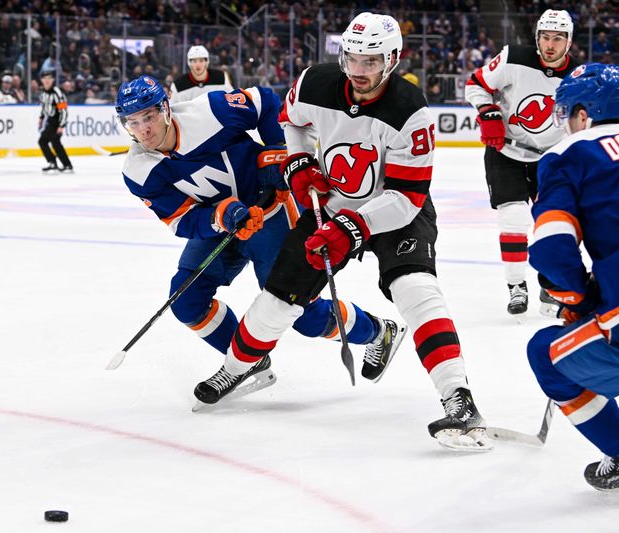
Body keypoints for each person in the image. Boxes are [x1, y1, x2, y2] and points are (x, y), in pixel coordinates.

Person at [194, 12, 491, 452]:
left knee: (415, 289)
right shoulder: (315, 81)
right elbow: (289, 121)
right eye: (352, 58)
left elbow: (408, 196)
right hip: (329, 204)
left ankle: (458, 399)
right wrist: (297, 162)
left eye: (370, 61)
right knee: (278, 298)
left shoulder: (411, 111)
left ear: (392, 59)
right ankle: (238, 366)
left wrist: (354, 226)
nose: (359, 70)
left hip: (394, 210)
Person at [115, 75, 404, 399]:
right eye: (133, 122)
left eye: (149, 117)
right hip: (224, 227)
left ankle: (378, 332)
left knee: (302, 315)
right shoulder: (137, 170)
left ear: (166, 109)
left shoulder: (208, 111)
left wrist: (277, 151)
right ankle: (245, 361)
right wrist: (218, 217)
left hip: (273, 215)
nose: (144, 130)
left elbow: (265, 101)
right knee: (186, 301)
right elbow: (181, 220)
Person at [526, 63, 619, 492]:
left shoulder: (572, 152)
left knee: (546, 354)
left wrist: (575, 297)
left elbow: (552, 244)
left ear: (585, 113)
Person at [464, 9, 580, 316]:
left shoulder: (579, 75)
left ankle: (551, 285)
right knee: (513, 218)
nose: (550, 45)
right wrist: (488, 112)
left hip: (552, 159)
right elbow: (475, 84)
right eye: (545, 37)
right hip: (507, 153)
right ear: (537, 37)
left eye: (557, 38)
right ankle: (516, 286)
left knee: (555, 223)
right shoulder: (512, 58)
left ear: (568, 42)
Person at [169, 45, 234, 104]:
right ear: (189, 63)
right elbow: (172, 109)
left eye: (201, 60)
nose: (198, 64)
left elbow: (232, 100)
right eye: (194, 61)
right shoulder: (178, 85)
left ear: (207, 62)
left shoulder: (221, 78)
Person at [38, 70, 73, 172]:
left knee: (47, 141)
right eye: (45, 78)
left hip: (57, 121)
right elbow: (44, 106)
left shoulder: (57, 92)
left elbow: (64, 110)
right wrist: (41, 118)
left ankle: (55, 163)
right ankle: (65, 165)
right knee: (51, 142)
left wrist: (61, 125)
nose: (47, 80)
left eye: (49, 78)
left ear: (53, 80)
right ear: (42, 80)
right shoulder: (43, 93)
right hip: (50, 120)